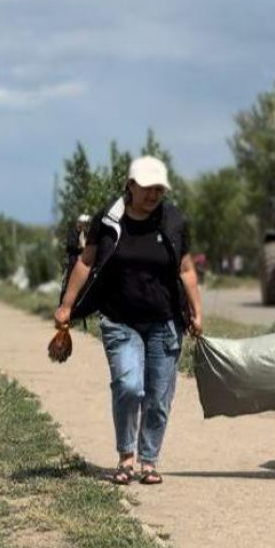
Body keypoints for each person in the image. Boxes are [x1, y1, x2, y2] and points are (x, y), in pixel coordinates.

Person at [54, 156, 204, 486]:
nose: (154, 195)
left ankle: (148, 461)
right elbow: (85, 262)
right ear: (131, 186)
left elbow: (186, 269)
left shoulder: (173, 221)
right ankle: (126, 457)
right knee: (129, 385)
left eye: (159, 189)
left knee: (157, 397)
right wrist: (66, 305)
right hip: (120, 321)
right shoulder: (109, 219)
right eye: (148, 188)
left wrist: (196, 311)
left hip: (165, 323)